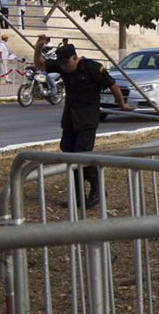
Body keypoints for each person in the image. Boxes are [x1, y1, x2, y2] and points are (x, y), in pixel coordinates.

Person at [34, 35, 133, 208]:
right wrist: (38, 46)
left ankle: (97, 190)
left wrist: (122, 104)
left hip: (88, 118)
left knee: (82, 155)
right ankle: (77, 197)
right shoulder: (63, 65)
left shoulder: (92, 67)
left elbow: (112, 85)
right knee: (69, 154)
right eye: (62, 64)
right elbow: (40, 64)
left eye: (67, 63)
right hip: (70, 118)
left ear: (75, 57)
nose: (64, 67)